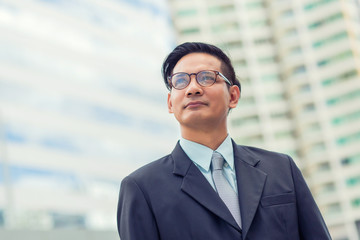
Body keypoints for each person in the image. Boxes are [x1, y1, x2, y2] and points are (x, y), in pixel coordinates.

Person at [117, 42, 331, 240]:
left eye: (207, 77)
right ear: (170, 103)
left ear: (234, 96)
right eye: (180, 81)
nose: (193, 88)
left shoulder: (282, 168)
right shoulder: (141, 188)